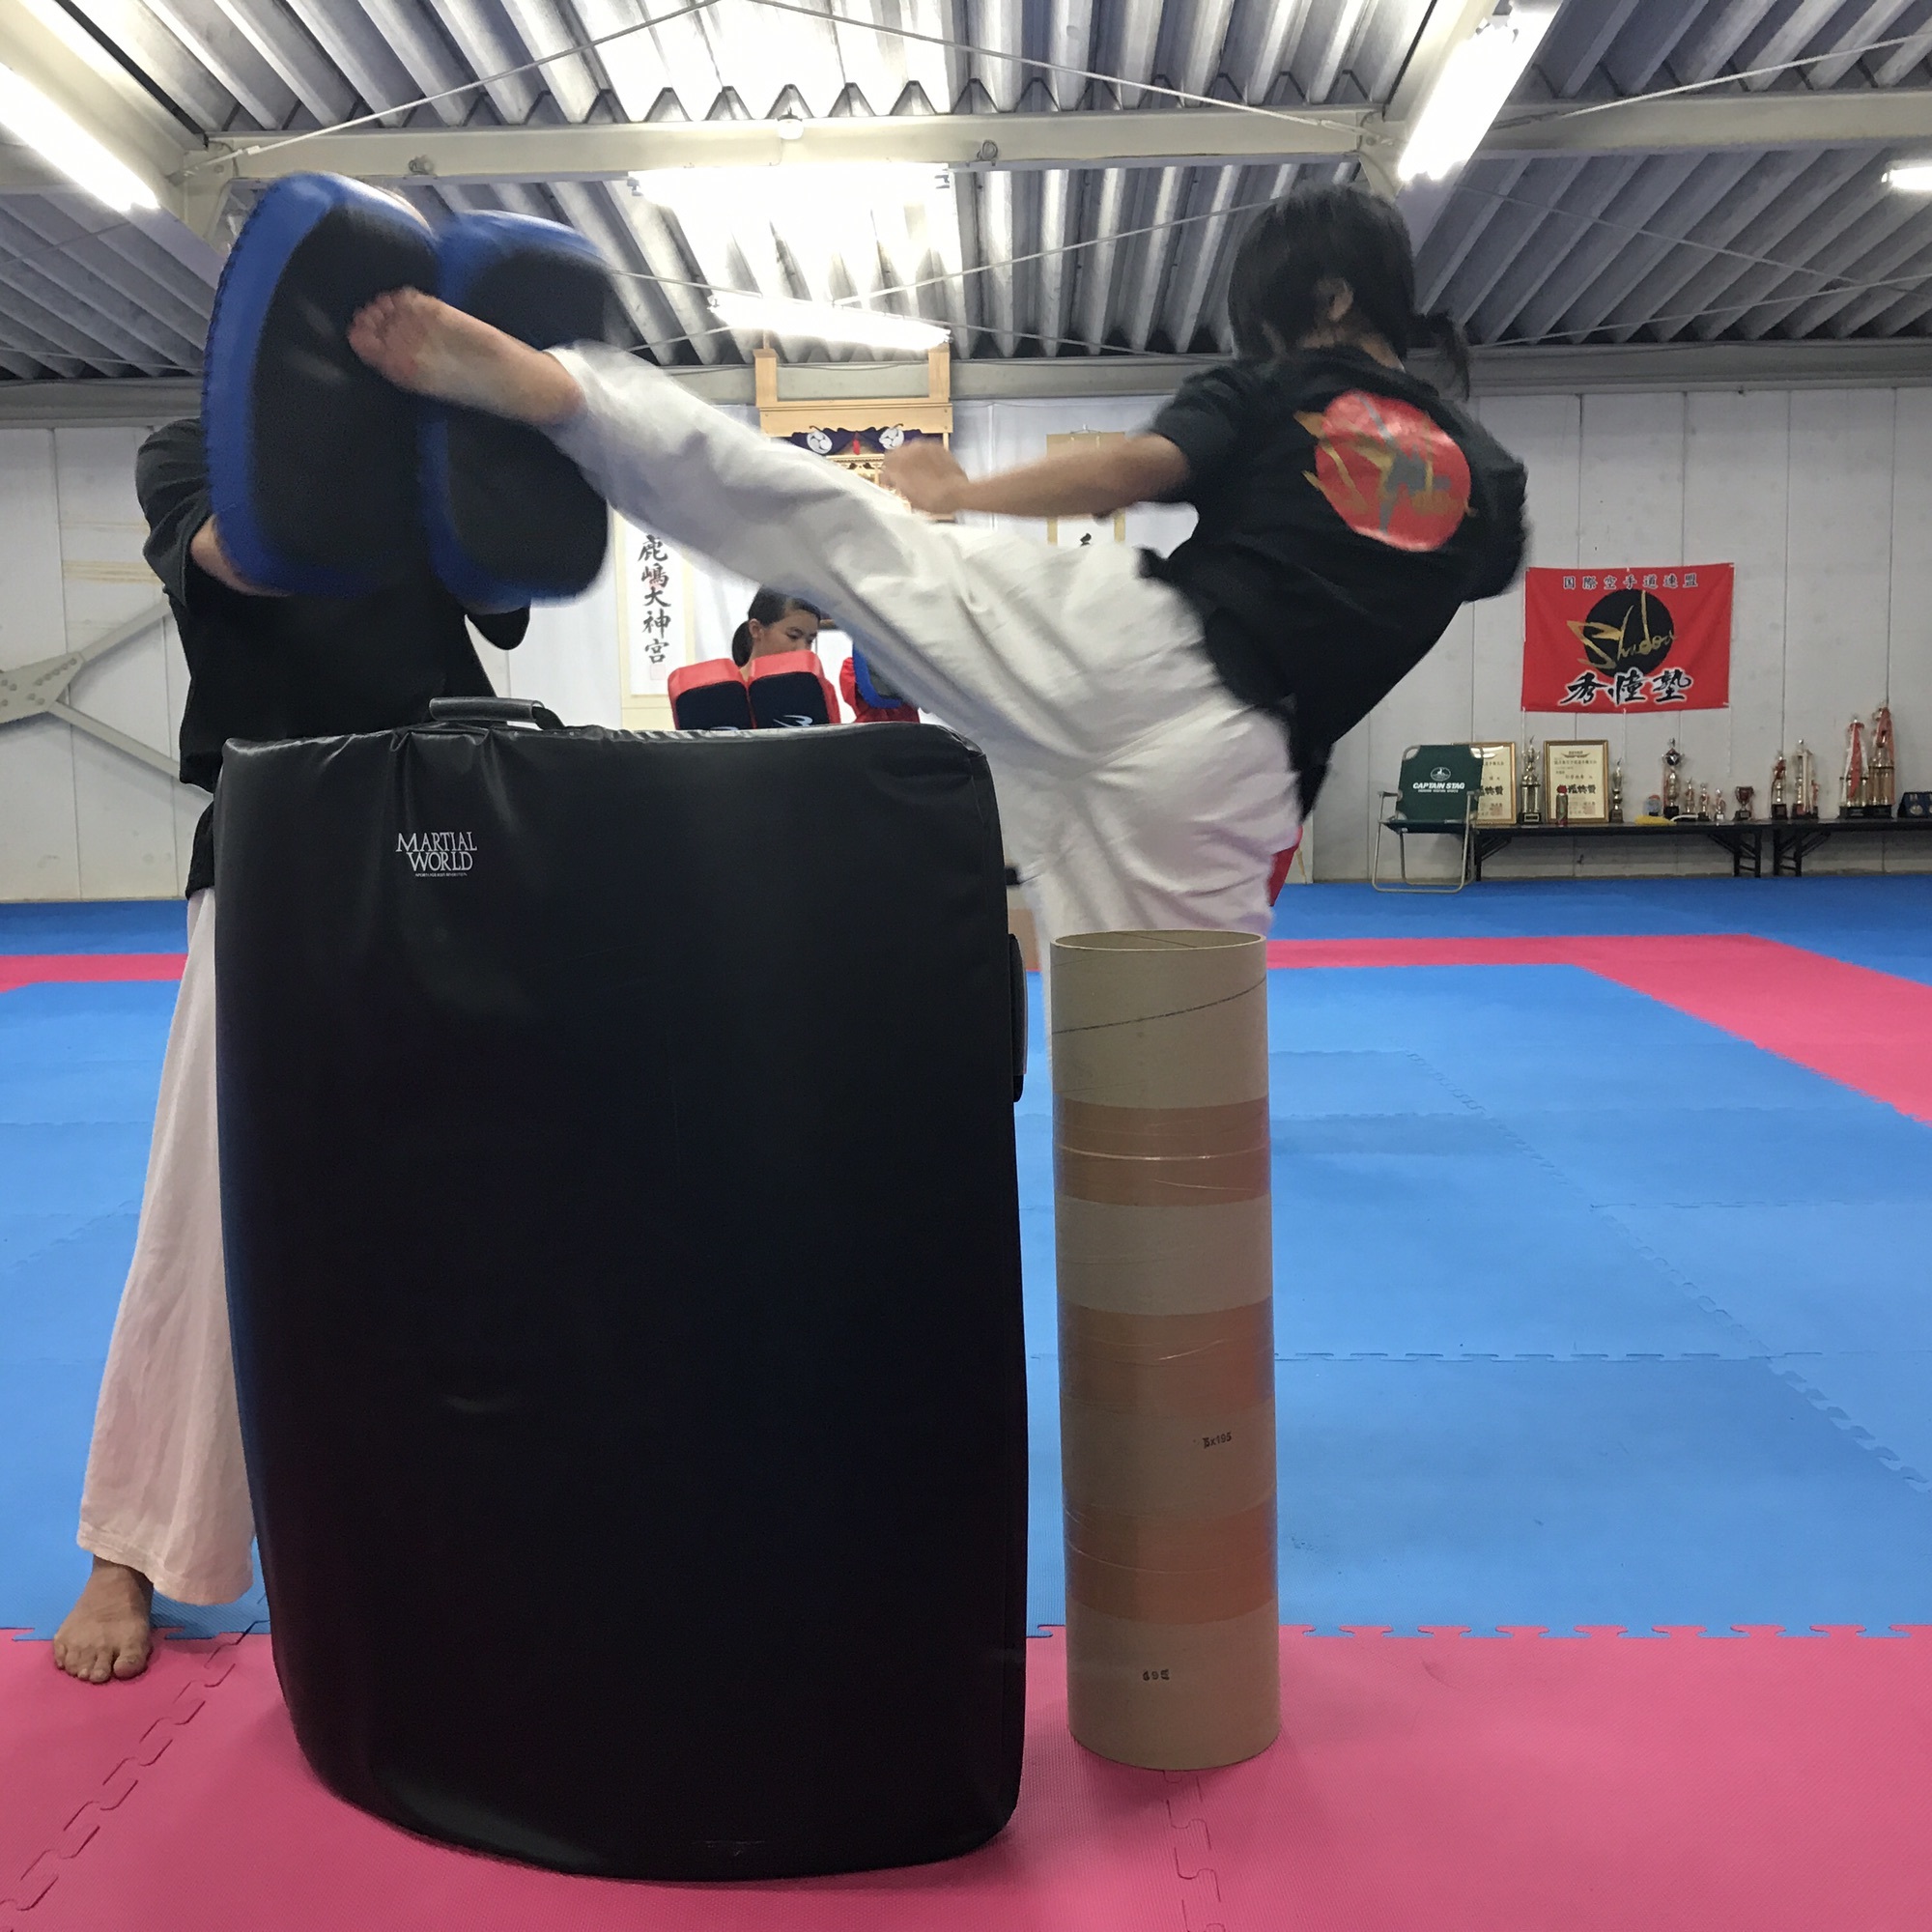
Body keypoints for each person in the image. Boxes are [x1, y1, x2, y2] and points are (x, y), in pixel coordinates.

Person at [348, 182, 1526, 951]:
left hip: (1136, 660)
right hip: (1240, 772)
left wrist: (961, 496)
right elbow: (1458, 569)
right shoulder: (1487, 475)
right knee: (1170, 1090)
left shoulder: (1280, 387)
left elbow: (1129, 472)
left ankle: (569, 396)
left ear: (1323, 297)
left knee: (845, 538)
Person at [51, 419, 529, 1685]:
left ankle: (470, 1521)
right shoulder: (189, 449)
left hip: (447, 818)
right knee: (204, 1204)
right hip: (275, 825)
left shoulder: (430, 440)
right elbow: (239, 557)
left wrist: (467, 434)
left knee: (465, 1197)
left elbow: (503, 597)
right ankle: (131, 1544)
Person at [729, 587, 822, 671]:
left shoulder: (812, 683)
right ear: (756, 630)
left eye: (810, 641)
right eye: (793, 636)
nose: (803, 650)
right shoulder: (728, 684)